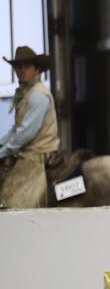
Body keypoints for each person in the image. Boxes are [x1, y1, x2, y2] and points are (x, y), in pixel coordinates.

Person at [0, 46, 60, 209]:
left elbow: (26, 133)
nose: (22, 70)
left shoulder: (38, 95)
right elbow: (17, 128)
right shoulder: (27, 93)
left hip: (36, 154)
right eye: (18, 67)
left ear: (36, 69)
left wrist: (4, 151)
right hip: (27, 150)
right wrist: (2, 143)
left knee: (11, 201)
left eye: (26, 66)